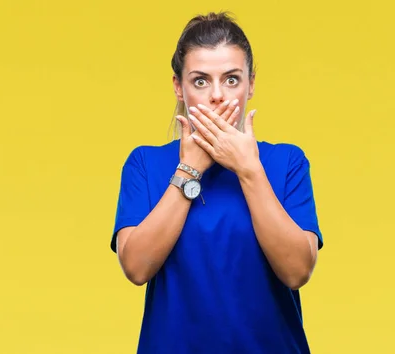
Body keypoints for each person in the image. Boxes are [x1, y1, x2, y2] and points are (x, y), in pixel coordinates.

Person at [110, 11, 323, 354]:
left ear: (251, 84)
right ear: (178, 87)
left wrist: (249, 170)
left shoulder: (286, 163)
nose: (217, 96)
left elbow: (297, 271)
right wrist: (188, 170)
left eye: (231, 79)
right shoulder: (146, 164)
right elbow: (135, 267)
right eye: (200, 81)